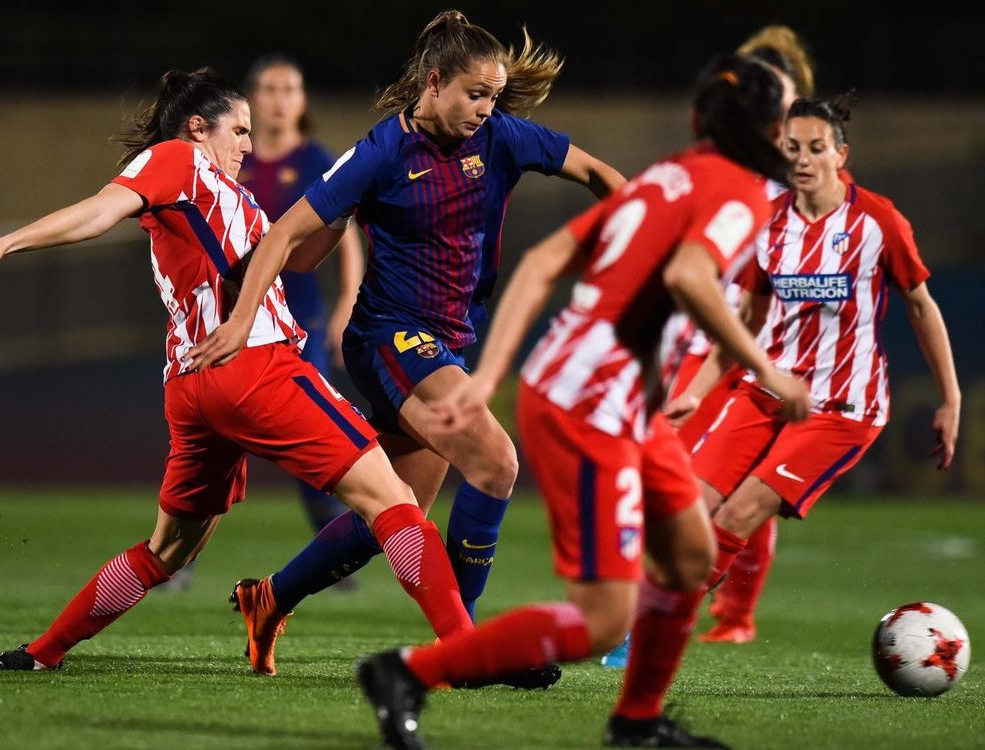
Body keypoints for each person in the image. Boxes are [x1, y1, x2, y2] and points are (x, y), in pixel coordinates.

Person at [351, 54, 813, 750]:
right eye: (786, 118)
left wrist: (490, 374)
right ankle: (408, 673)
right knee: (602, 620)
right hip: (589, 404)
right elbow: (691, 277)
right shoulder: (738, 192)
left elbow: (543, 262)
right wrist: (768, 369)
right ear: (770, 129)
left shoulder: (668, 177)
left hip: (618, 398)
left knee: (691, 554)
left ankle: (638, 721)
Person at [0, 67, 473, 673]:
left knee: (166, 551)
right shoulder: (177, 158)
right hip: (254, 368)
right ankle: (468, 649)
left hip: (194, 388)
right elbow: (100, 210)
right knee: (394, 499)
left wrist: (343, 204)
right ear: (198, 128)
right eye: (239, 130)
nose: (249, 144)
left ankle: (43, 653)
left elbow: (299, 255)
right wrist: (7, 242)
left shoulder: (229, 197)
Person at [188, 10, 625, 680]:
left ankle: (268, 597)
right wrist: (243, 318)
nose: (486, 109)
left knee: (392, 513)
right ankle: (468, 645)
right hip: (388, 336)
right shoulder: (381, 152)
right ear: (434, 81)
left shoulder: (502, 137)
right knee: (495, 462)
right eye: (475, 94)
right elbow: (284, 234)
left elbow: (596, 171)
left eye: (493, 96)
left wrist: (642, 234)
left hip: (445, 342)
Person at [667, 92, 960, 643]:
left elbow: (922, 306)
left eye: (816, 147)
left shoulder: (878, 220)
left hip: (843, 407)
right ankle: (657, 614)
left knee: (738, 513)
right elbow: (746, 322)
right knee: (690, 507)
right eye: (792, 147)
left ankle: (656, 625)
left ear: (840, 154)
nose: (802, 158)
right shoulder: (766, 223)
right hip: (764, 393)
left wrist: (952, 398)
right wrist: (697, 391)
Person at [161, 56, 366, 593]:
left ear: (302, 100)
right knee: (216, 442)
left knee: (312, 441)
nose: (279, 99)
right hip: (227, 320)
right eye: (270, 89)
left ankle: (329, 560)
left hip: (294, 316)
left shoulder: (314, 158)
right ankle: (179, 560)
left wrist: (347, 301)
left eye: (290, 88)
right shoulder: (229, 156)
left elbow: (343, 233)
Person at [666, 25, 818, 645]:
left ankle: (734, 613)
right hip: (709, 340)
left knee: (752, 481)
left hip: (767, 345)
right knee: (679, 473)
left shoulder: (809, 174)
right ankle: (655, 597)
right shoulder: (720, 167)